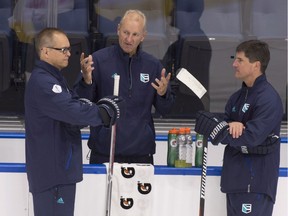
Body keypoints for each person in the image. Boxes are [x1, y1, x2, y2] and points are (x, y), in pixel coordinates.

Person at [25, 27, 123, 216]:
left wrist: (87, 84)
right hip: (53, 174)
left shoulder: (54, 79)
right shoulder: (44, 83)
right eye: (63, 50)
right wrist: (102, 113)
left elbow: (73, 107)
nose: (69, 54)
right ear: (45, 51)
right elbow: (72, 111)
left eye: (69, 49)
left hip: (60, 171)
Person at [194, 40, 283, 216]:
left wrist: (219, 129)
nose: (234, 64)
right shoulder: (237, 98)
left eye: (240, 60)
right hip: (234, 181)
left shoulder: (268, 99)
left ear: (256, 65)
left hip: (255, 183)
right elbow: (224, 126)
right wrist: (225, 126)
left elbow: (251, 137)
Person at [75, 9, 175, 164]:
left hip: (141, 154)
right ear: (118, 30)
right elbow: (80, 106)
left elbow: (166, 110)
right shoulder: (97, 61)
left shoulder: (153, 65)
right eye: (125, 32)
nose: (129, 39)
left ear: (143, 36)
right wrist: (86, 82)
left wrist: (163, 94)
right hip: (104, 153)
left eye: (135, 34)